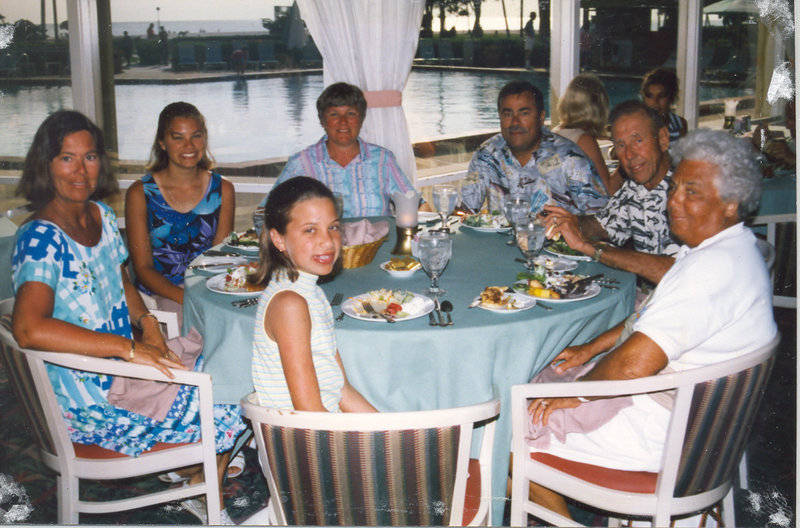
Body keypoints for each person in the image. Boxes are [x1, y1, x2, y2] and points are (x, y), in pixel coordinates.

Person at [524, 128, 777, 519]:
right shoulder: (735, 251)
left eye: (692, 192)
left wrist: (579, 392)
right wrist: (590, 356)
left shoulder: (707, 270)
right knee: (536, 379)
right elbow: (652, 316)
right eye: (675, 188)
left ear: (732, 203)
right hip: (697, 424)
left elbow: (631, 366)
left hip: (665, 436)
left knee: (506, 423)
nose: (673, 201)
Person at [11, 110, 244, 524]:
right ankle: (209, 499)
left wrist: (150, 327)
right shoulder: (40, 238)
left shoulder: (98, 214)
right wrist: (129, 349)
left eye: (91, 157)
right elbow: (29, 328)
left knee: (240, 365)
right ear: (45, 165)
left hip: (126, 373)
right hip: (89, 400)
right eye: (67, 158)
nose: (81, 170)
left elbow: (124, 284)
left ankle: (195, 477)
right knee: (230, 398)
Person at [250, 176, 377, 413]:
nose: (327, 241)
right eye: (310, 230)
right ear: (278, 239)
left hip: (326, 429)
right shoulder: (289, 303)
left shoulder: (312, 293)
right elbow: (309, 411)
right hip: (309, 443)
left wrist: (388, 431)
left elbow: (342, 390)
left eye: (333, 227)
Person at [543, 100, 679, 285]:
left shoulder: (687, 192)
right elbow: (603, 224)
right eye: (621, 145)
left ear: (663, 139)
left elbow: (678, 271)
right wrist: (569, 221)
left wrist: (591, 248)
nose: (629, 154)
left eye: (638, 140)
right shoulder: (635, 187)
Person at [125, 102, 235, 321]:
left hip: (206, 288)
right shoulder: (140, 193)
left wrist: (209, 296)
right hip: (159, 295)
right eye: (178, 137)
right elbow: (143, 268)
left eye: (196, 136)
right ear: (162, 143)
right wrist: (185, 297)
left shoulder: (223, 189)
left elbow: (219, 258)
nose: (189, 146)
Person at [259, 82, 417, 218]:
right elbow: (265, 211)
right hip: (321, 249)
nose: (343, 122)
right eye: (334, 114)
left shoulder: (383, 159)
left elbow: (415, 204)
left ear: (361, 119)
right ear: (322, 120)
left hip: (379, 247)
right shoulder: (301, 163)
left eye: (351, 114)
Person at [460, 80, 609, 216]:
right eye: (507, 114)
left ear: (541, 117)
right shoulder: (486, 155)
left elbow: (602, 220)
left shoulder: (570, 158)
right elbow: (466, 210)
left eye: (524, 113)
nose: (515, 122)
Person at [552, 74, 623, 194]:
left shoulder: (556, 132)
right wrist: (626, 162)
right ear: (598, 108)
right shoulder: (584, 140)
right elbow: (608, 190)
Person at [641, 68, 688, 145]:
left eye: (661, 96)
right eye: (650, 96)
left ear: (671, 97)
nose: (655, 102)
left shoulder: (679, 124)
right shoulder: (638, 125)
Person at [752, 97, 796, 170]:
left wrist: (793, 159)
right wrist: (764, 147)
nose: (788, 126)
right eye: (787, 119)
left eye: (794, 120)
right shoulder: (794, 143)